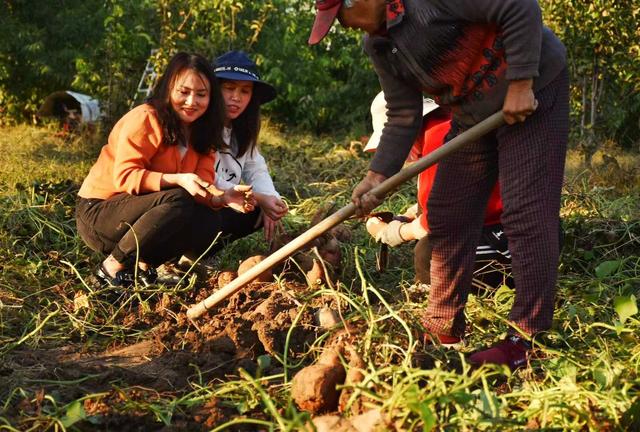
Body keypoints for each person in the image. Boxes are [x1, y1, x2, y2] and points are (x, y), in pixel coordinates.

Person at [309, 0, 569, 370]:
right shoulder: (378, 45)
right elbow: (402, 113)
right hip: (472, 112)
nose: (344, 26)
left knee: (525, 212)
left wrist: (523, 81)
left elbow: (518, 6)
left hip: (534, 89)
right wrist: (376, 176)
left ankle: (526, 339)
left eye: (341, 16)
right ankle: (443, 326)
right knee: (448, 210)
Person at [76, 52, 255, 288]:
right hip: (99, 215)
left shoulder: (204, 133)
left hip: (145, 215)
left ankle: (144, 264)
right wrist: (178, 179)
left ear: (211, 99)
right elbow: (125, 177)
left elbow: (201, 184)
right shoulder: (145, 118)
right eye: (184, 92)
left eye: (201, 95)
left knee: (209, 219)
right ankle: (110, 270)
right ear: (168, 89)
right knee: (179, 198)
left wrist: (222, 196)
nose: (192, 102)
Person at [364, 92, 511, 289]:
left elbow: (438, 219)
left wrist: (396, 233)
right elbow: (454, 194)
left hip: (504, 241)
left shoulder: (438, 140)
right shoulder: (447, 124)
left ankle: (438, 298)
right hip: (523, 232)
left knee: (428, 251)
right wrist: (408, 216)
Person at [210, 50, 288, 244]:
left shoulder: (242, 131)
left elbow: (257, 169)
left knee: (261, 211)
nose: (236, 97)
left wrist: (271, 201)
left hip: (225, 206)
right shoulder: (199, 126)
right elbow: (205, 179)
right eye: (229, 88)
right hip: (199, 204)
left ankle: (196, 255)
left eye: (245, 91)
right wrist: (260, 198)